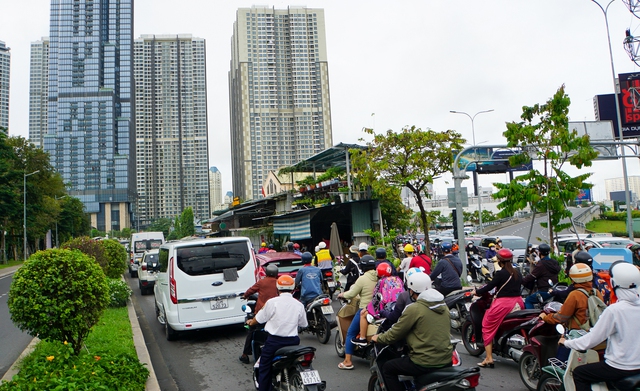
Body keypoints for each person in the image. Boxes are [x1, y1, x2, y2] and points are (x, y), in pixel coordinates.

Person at [560, 261, 640, 391]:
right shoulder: (599, 294)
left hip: (620, 367)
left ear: (614, 283)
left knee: (580, 373)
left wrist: (567, 343)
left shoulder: (614, 310)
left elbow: (591, 340)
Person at [371, 272, 452, 391]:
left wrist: (378, 338)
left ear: (412, 291)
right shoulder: (443, 306)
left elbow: (395, 333)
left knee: (388, 368)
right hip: (446, 359)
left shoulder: (414, 309)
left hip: (423, 362)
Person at [246, 275, 307, 391]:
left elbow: (259, 319)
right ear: (293, 288)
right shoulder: (298, 304)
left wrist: (251, 322)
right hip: (294, 341)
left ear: (278, 288)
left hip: (274, 342)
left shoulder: (272, 302)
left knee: (264, 366)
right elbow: (304, 324)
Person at [473, 248, 524, 368]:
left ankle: (489, 358)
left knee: (487, 326)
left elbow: (489, 286)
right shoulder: (517, 272)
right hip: (518, 302)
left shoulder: (500, 273)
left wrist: (477, 292)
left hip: (503, 304)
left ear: (499, 261)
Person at [336, 255, 378, 370]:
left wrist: (341, 294)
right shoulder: (379, 276)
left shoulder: (363, 279)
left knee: (350, 332)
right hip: (379, 311)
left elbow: (351, 294)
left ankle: (348, 361)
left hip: (365, 309)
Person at [352, 262, 404, 346]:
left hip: (387, 308)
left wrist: (367, 308)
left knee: (363, 314)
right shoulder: (398, 279)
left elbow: (375, 299)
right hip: (399, 307)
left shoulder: (381, 281)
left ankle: (362, 338)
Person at [239, 264, 280, 364]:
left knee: (251, 330)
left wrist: (245, 296)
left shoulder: (261, 282)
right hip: (275, 313)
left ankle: (245, 354)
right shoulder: (278, 282)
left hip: (261, 312)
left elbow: (251, 290)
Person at [522, 243, 561, 309]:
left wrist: (521, 280)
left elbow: (532, 276)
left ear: (539, 252)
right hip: (554, 289)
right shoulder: (554, 262)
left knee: (528, 300)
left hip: (544, 290)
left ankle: (531, 317)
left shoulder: (541, 265)